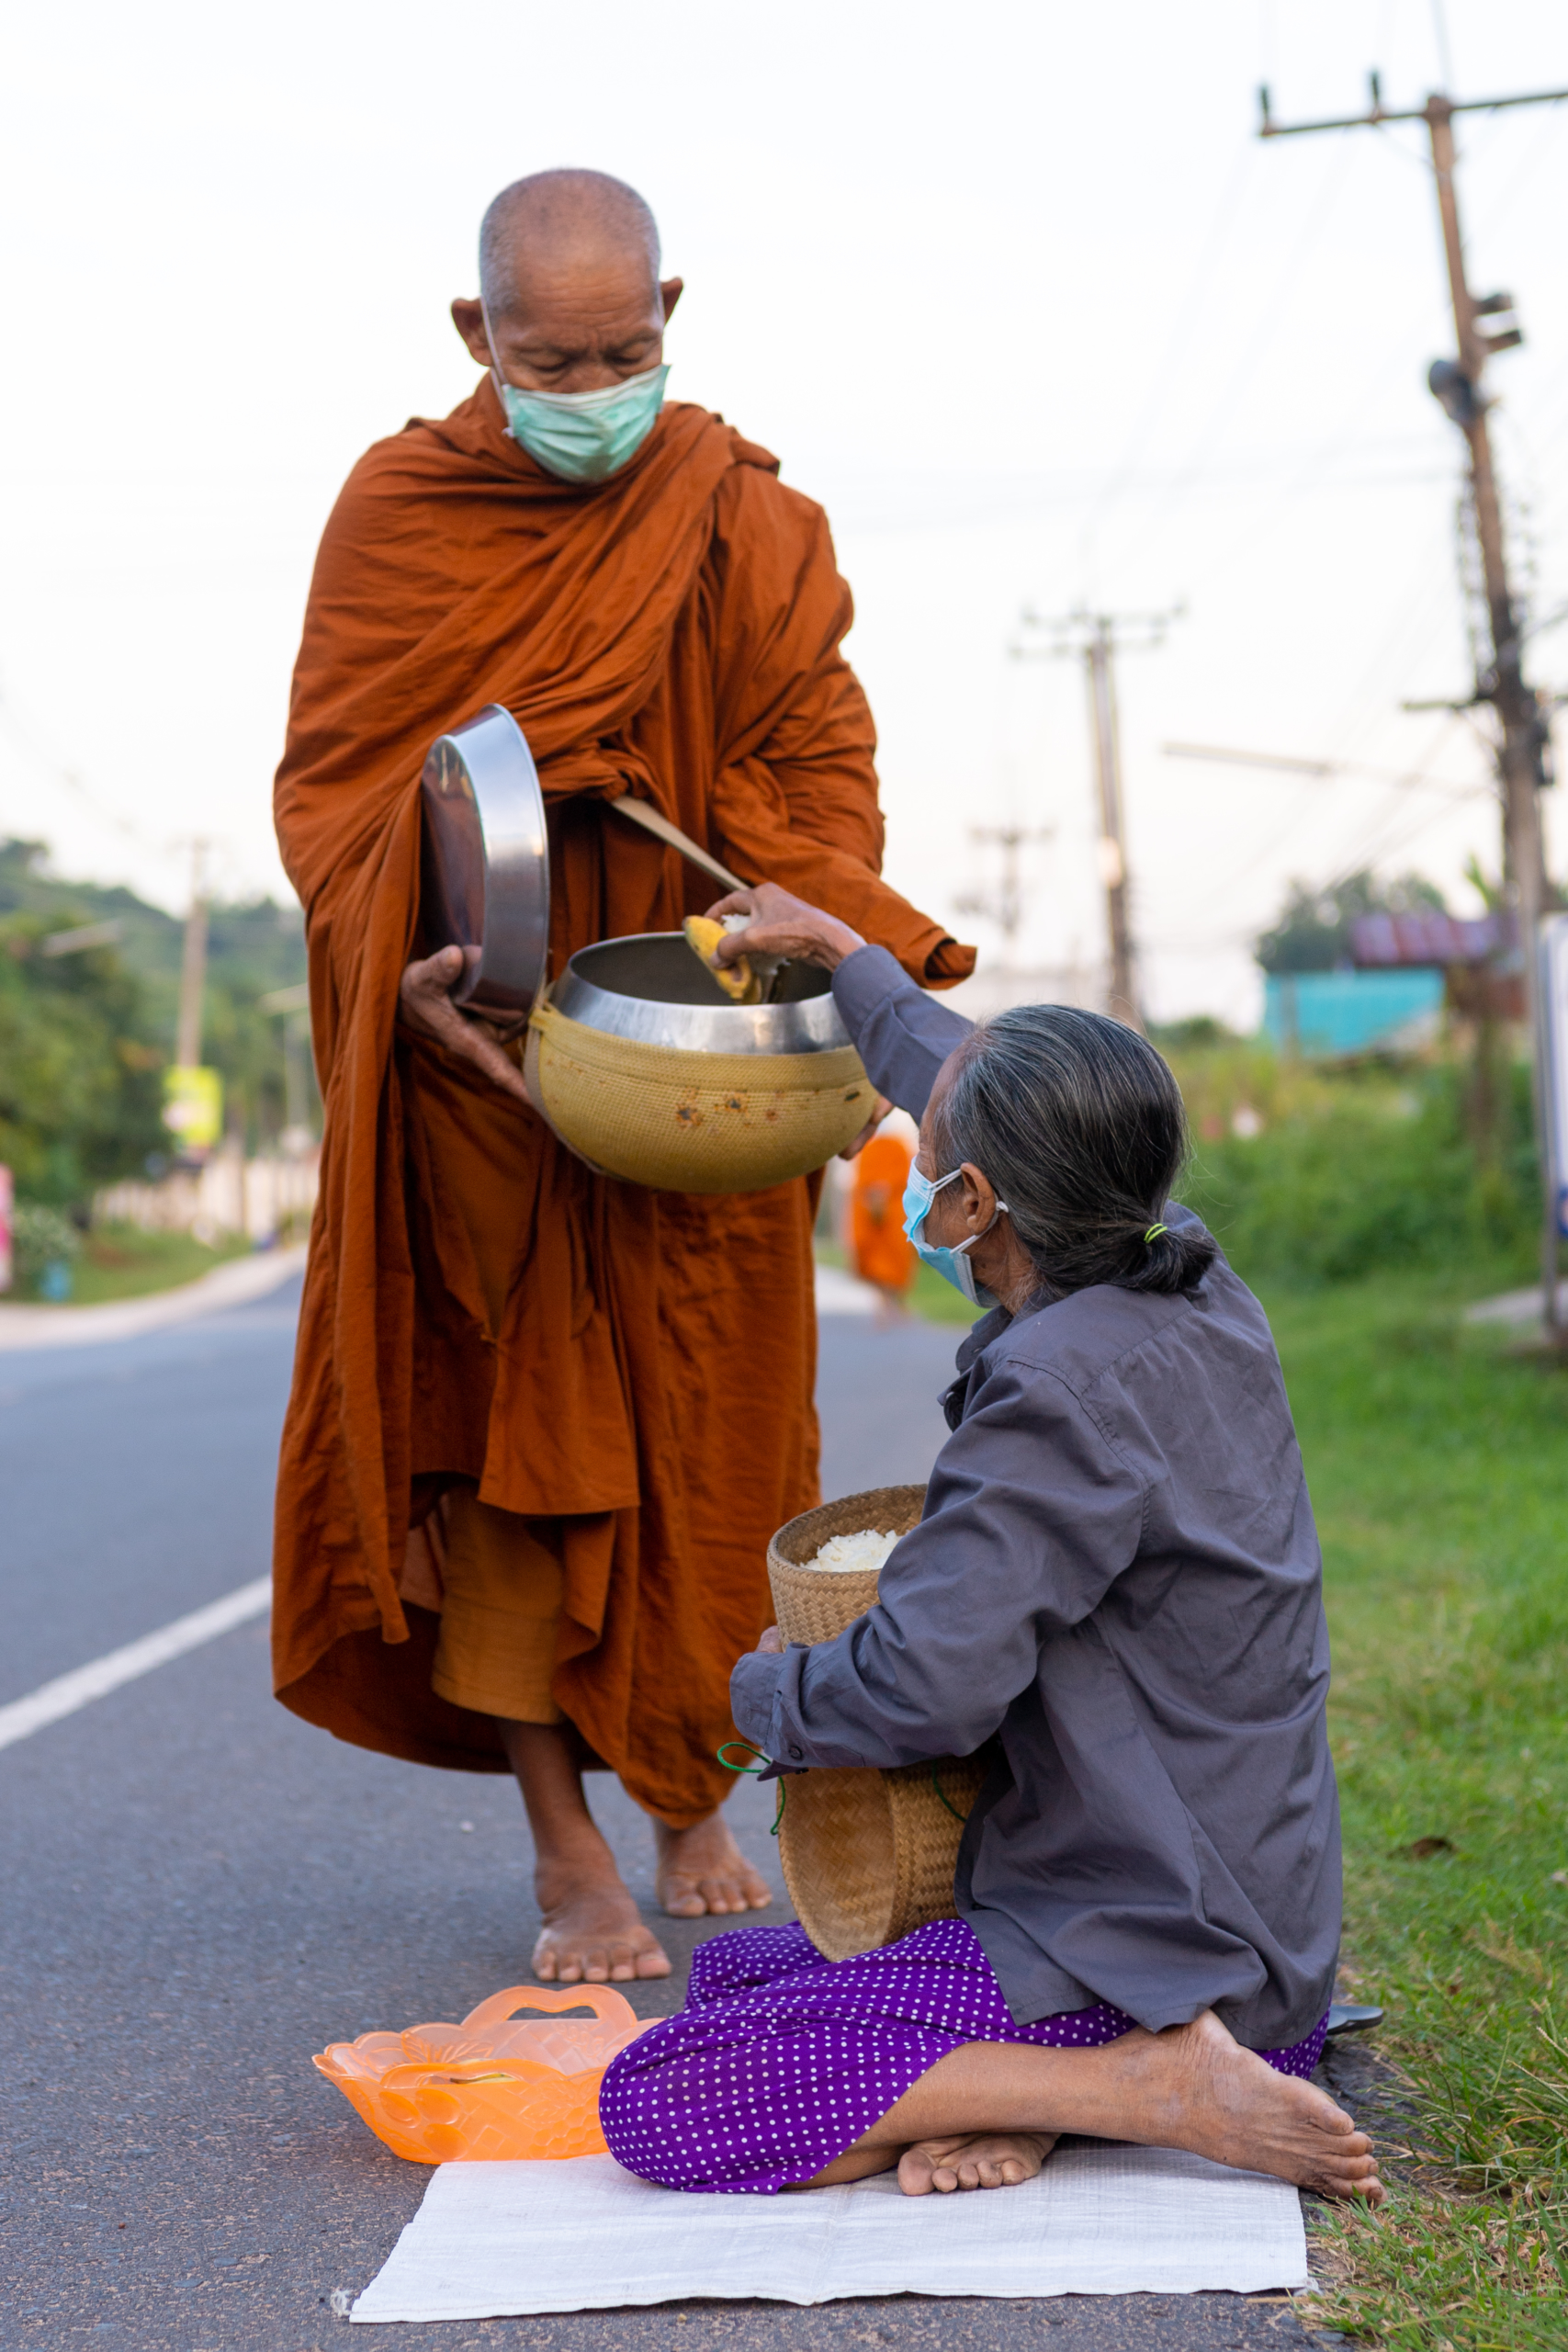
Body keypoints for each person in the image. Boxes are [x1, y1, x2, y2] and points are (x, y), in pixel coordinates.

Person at [270, 175, 972, 1989]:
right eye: (548, 356)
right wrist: (410, 957)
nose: (593, 386)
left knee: (720, 1439)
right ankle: (568, 1845)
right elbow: (338, 788)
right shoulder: (404, 511)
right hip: (483, 1062)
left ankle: (688, 1796)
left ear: (671, 308)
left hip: (707, 1055)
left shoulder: (746, 517)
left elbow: (816, 747)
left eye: (624, 350)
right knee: (525, 1452)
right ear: (471, 338)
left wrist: (810, 897)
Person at [599, 884, 1382, 2206]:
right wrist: (847, 962)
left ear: (970, 1205)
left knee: (666, 2092)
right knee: (740, 1969)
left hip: (1152, 1943)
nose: (906, 1161)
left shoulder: (1051, 1393)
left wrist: (757, 1693)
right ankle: (1035, 2103)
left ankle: (1137, 2087)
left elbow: (919, 1686)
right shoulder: (1179, 1267)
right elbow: (961, 1074)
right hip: (1251, 1928)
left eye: (930, 1162)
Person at [847, 1118, 916, 1316]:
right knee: (873, 1257)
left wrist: (886, 1189)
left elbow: (905, 1175)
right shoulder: (868, 1149)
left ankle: (898, 1299)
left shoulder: (899, 1147)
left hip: (894, 1209)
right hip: (869, 1211)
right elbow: (861, 1179)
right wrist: (872, 1194)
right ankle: (882, 1301)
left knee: (897, 1252)